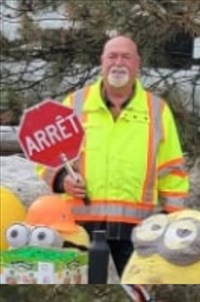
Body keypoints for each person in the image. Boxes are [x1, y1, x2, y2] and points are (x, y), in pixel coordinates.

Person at [35, 35, 188, 276]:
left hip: (138, 231)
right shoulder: (74, 104)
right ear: (102, 62)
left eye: (126, 57)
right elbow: (46, 155)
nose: (118, 63)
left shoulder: (157, 110)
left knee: (140, 291)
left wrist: (173, 219)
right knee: (76, 290)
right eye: (112, 56)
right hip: (78, 225)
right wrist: (62, 179)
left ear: (137, 64)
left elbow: (172, 169)